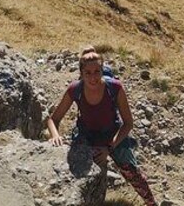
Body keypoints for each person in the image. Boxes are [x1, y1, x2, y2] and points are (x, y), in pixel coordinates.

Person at [47, 47, 158, 206]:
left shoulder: (115, 88)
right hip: (87, 135)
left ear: (102, 70)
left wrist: (109, 148)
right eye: (88, 73)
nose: (93, 77)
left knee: (133, 174)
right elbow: (53, 119)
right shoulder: (75, 89)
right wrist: (55, 135)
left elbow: (128, 123)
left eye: (97, 71)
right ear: (81, 73)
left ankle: (151, 203)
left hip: (113, 135)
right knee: (82, 175)